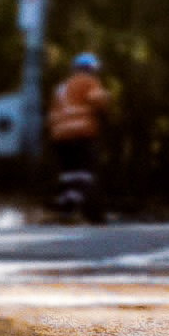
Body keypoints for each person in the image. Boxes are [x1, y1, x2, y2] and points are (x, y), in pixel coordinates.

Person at [44, 52, 108, 220]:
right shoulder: (88, 81)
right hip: (80, 132)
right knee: (85, 173)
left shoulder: (61, 87)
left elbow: (53, 112)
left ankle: (64, 209)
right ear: (91, 68)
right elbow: (99, 102)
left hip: (59, 136)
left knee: (68, 174)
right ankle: (75, 206)